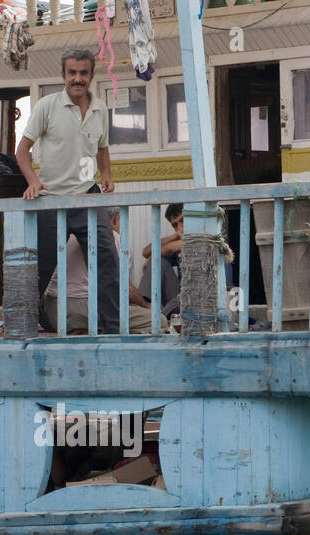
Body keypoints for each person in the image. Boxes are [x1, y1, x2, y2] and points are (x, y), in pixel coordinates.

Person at [15, 49, 122, 334]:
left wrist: (107, 174)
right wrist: (33, 181)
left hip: (88, 195)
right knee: (38, 268)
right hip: (51, 201)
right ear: (63, 76)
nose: (77, 79)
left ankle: (114, 330)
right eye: (72, 73)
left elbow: (101, 149)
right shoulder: (47, 106)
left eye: (83, 73)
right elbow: (22, 150)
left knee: (107, 263)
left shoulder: (99, 109)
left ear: (91, 75)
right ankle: (24, 327)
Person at [42, 208, 167, 334]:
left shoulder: (71, 236)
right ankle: (89, 329)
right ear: (115, 220)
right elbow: (124, 289)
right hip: (79, 309)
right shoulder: (112, 239)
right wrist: (147, 306)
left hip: (51, 310)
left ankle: (88, 330)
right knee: (158, 321)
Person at [140, 202, 183, 321]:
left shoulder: (200, 236)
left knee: (157, 257)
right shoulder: (179, 236)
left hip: (196, 299)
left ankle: (156, 317)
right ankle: (148, 308)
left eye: (183, 221)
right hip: (178, 297)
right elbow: (145, 252)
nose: (180, 228)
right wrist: (175, 236)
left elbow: (168, 248)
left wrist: (154, 255)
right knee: (160, 261)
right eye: (175, 225)